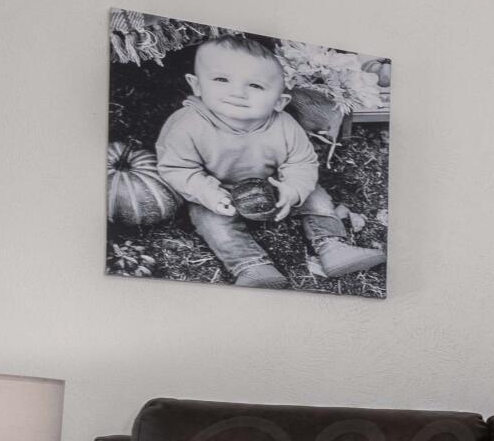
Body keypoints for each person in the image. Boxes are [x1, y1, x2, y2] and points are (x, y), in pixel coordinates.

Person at [145, 33, 384, 288]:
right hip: (219, 194)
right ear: (197, 86)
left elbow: (300, 162)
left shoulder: (285, 125)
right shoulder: (186, 126)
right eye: (221, 79)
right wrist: (208, 193)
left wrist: (292, 190)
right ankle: (251, 266)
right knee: (208, 219)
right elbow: (178, 168)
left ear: (280, 101)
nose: (237, 92)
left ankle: (332, 246)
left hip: (275, 187)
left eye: (255, 86)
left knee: (315, 195)